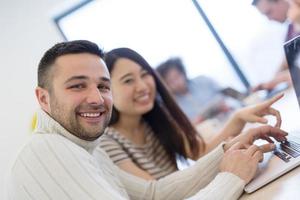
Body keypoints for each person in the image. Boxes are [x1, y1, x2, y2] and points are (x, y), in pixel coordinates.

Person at [7, 40, 288, 200]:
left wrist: (230, 151)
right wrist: (231, 176)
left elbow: (152, 195)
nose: (96, 98)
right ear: (43, 98)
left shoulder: (84, 146)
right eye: (77, 85)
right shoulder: (50, 151)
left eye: (103, 86)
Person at [99, 47, 284, 181]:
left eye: (145, 74)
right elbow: (158, 192)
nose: (143, 86)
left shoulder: (153, 121)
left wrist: (239, 118)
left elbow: (200, 152)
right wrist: (233, 162)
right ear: (106, 89)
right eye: (128, 80)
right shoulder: (107, 142)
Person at [155, 57, 228, 124]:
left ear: (183, 72)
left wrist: (224, 104)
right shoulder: (171, 105)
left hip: (227, 117)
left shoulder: (203, 80)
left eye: (177, 77)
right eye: (170, 82)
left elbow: (228, 95)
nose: (177, 83)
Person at [252, 0, 294, 91]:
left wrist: (283, 78)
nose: (269, 19)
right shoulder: (292, 29)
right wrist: (271, 82)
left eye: (269, 12)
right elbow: (287, 60)